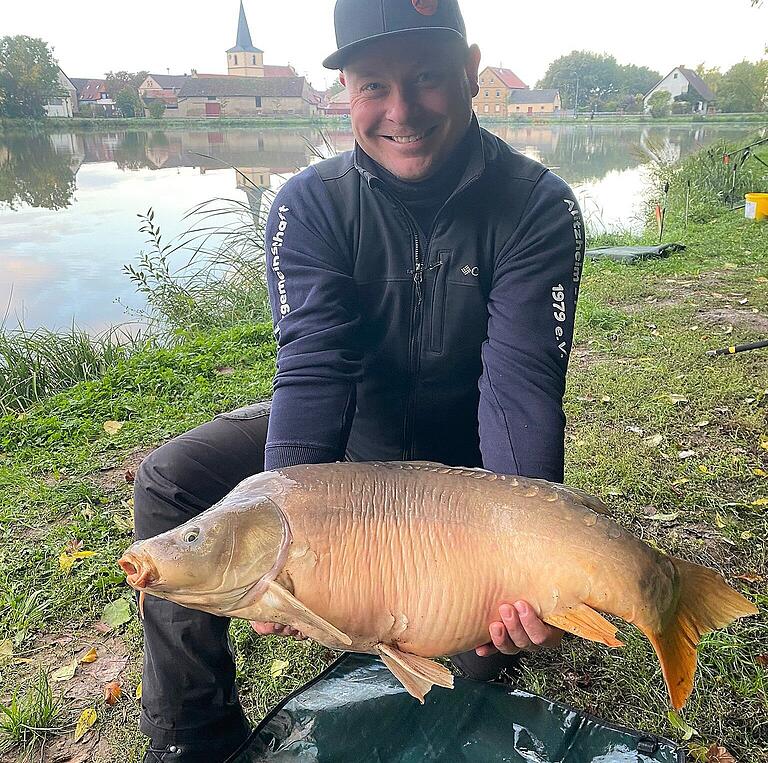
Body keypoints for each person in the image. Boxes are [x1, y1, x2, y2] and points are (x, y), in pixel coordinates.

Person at [133, 0, 585, 760]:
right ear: (344, 89)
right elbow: (313, 366)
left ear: (471, 72)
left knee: (471, 650)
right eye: (374, 85)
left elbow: (521, 389)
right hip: (343, 449)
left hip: (460, 463)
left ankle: (480, 633)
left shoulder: (536, 206)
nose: (401, 111)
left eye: (428, 78)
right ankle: (192, 738)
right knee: (170, 481)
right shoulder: (308, 204)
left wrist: (520, 557)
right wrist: (280, 542)